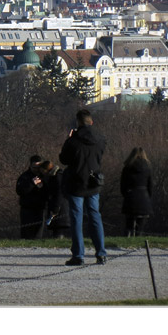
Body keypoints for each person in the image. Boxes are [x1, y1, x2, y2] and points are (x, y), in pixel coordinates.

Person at [59, 108, 107, 266]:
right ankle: (101, 253)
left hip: (76, 183)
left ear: (78, 123)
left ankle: (78, 255)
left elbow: (64, 159)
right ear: (91, 122)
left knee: (76, 219)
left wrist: (68, 140)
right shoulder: (101, 139)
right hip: (93, 181)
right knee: (95, 216)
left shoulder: (73, 140)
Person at [120, 147, 153, 237]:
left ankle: (128, 239)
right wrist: (148, 197)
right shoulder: (148, 168)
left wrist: (126, 195)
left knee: (129, 224)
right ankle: (138, 239)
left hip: (130, 197)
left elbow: (122, 186)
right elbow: (150, 186)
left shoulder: (127, 168)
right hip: (144, 197)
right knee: (140, 225)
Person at [15, 155, 48, 239]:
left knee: (38, 234)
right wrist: (32, 184)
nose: (36, 170)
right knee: (27, 233)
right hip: (27, 208)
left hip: (40, 208)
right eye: (34, 167)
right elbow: (20, 191)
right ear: (30, 166)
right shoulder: (24, 177)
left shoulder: (44, 176)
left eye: (38, 167)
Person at [38, 160, 70, 239]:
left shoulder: (58, 176)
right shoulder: (54, 176)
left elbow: (59, 193)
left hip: (59, 206)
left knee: (59, 227)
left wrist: (56, 207)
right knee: (56, 227)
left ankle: (59, 239)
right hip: (57, 204)